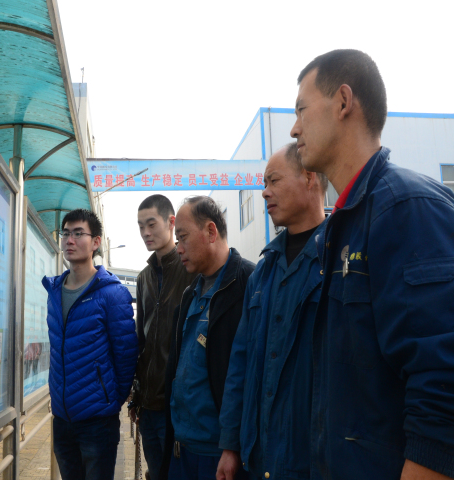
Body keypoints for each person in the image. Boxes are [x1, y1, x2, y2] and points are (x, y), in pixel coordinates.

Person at [288, 49, 454, 479]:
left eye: (302, 110)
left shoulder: (405, 208)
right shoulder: (340, 228)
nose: (294, 128)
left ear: (344, 101)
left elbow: (442, 385)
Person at [216, 142, 328, 480]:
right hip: (260, 457)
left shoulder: (339, 259)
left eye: (273, 181)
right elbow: (240, 363)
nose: (264, 193)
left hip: (314, 459)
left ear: (309, 177)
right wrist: (230, 445)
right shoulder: (263, 272)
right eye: (264, 184)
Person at [160, 196, 255, 480]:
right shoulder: (190, 294)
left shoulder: (249, 284)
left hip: (220, 456)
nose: (178, 248)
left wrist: (232, 445)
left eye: (183, 237)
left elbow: (252, 376)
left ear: (211, 231)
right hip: (181, 449)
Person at [42, 209, 138, 480]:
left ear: (95, 242)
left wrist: (110, 402)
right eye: (65, 234)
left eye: (78, 233)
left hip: (97, 422)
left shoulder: (112, 294)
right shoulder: (55, 291)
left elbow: (126, 356)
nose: (69, 240)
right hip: (62, 419)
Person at [130, 194, 197, 480]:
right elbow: (141, 341)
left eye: (151, 224)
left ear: (171, 222)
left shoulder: (190, 269)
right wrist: (136, 395)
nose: (145, 232)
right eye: (140, 226)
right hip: (148, 407)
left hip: (178, 406)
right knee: (156, 473)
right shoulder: (143, 277)